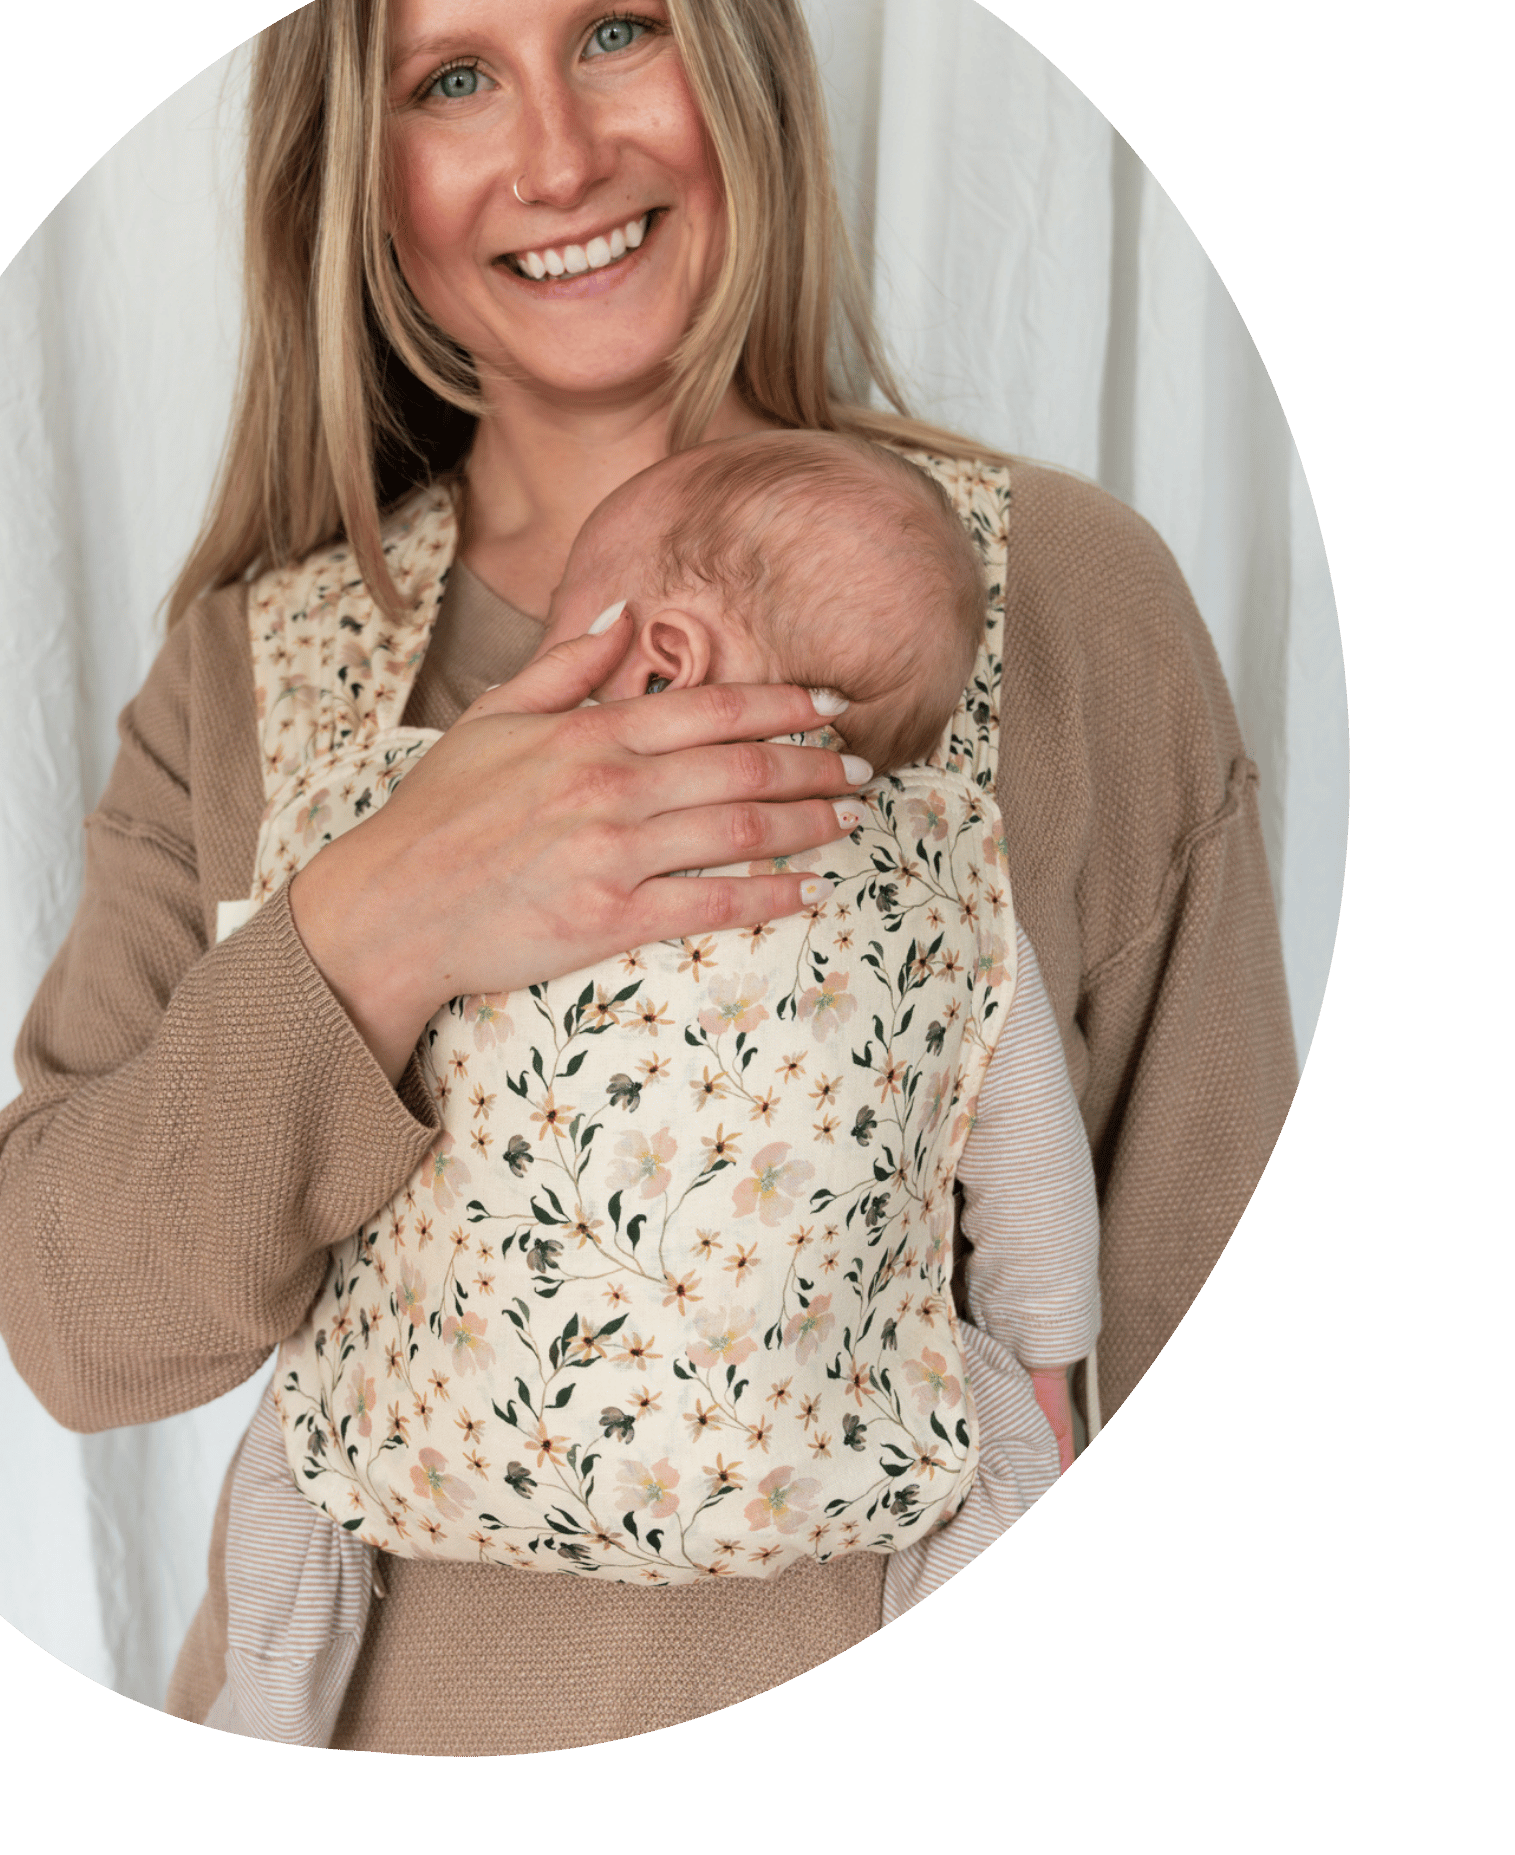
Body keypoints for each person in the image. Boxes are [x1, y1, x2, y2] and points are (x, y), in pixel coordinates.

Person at [0, 0, 1298, 1755]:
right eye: (452, 79)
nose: (559, 156)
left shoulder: (1061, 604)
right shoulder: (254, 672)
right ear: (363, 176)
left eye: (619, 31)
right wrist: (377, 923)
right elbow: (70, 1323)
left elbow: (1199, 1304)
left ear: (737, 56)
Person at [201, 427, 1103, 1744]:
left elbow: (274, 1077)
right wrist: (1047, 1358)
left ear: (663, 659)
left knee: (300, 1449)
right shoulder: (944, 911)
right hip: (817, 1439)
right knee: (995, 1475)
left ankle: (269, 1708)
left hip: (438, 1410)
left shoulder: (436, 844)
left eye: (563, 628)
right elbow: (1026, 1164)